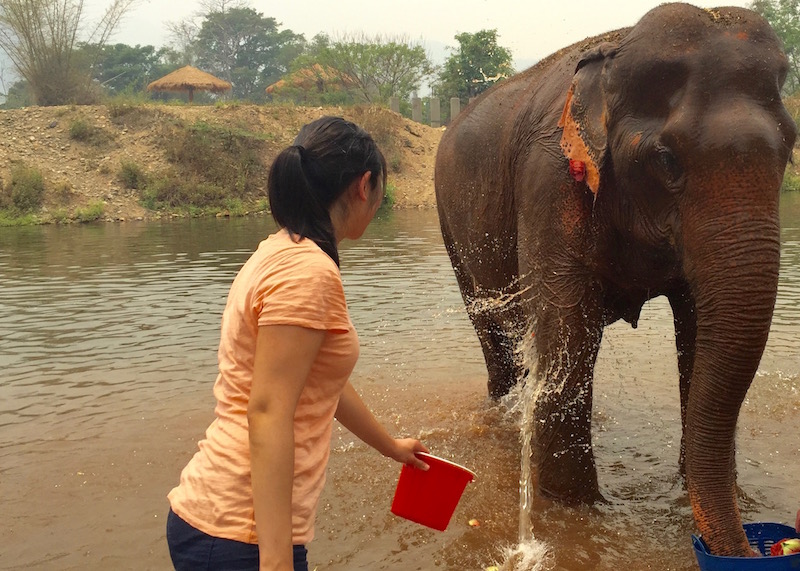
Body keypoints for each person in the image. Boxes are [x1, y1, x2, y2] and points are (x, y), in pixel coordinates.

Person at [166, 116, 429, 571]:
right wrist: (276, 560)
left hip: (219, 522)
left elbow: (316, 382)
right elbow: (268, 410)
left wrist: (390, 447)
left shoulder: (282, 249)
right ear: (364, 186)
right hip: (241, 534)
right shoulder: (309, 273)